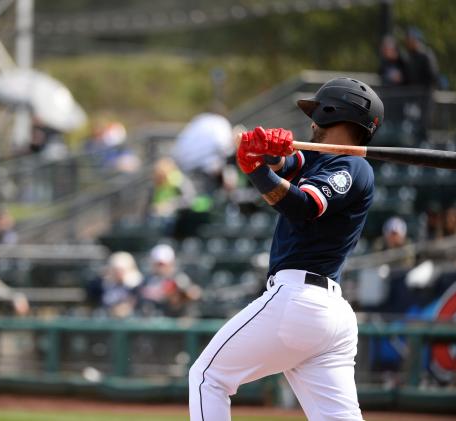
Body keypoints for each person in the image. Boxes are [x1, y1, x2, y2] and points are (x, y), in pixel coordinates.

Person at [189, 77, 384, 421]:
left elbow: (303, 205)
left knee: (208, 378)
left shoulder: (353, 167)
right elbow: (287, 164)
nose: (311, 122)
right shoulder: (322, 158)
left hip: (300, 301)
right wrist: (262, 150)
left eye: (317, 113)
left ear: (334, 112)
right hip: (327, 314)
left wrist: (255, 168)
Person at [171, 103, 235, 194]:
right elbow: (224, 146)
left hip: (185, 169)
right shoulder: (220, 122)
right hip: (206, 171)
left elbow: (177, 149)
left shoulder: (198, 120)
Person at [138, 244, 201, 318]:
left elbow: (195, 294)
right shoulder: (147, 281)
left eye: (163, 264)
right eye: (158, 264)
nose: (161, 268)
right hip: (152, 321)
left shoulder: (179, 278)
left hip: (174, 321)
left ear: (171, 263)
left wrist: (179, 291)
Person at [86, 252, 143, 318]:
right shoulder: (101, 285)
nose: (118, 273)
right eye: (116, 270)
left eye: (121, 270)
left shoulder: (138, 286)